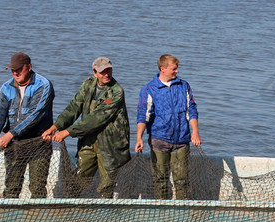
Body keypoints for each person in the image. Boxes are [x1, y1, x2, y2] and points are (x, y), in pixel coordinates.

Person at [41, 57, 131, 198]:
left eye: (109, 70)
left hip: (110, 144)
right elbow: (74, 107)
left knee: (106, 185)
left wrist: (67, 132)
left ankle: (105, 214)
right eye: (103, 72)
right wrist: (56, 126)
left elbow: (96, 119)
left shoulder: (116, 91)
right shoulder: (88, 84)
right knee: (79, 177)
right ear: (95, 73)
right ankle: (70, 207)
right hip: (88, 140)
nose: (106, 74)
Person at [0, 52, 54, 198]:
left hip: (39, 142)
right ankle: (9, 217)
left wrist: (10, 134)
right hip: (15, 144)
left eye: (19, 69)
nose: (15, 72)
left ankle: (37, 217)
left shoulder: (43, 85)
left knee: (37, 187)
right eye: (12, 69)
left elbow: (35, 115)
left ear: (29, 67)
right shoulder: (6, 88)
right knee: (11, 187)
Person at [135, 54, 201, 200]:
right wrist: (139, 137)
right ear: (163, 69)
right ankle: (162, 206)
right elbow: (143, 115)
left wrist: (195, 132)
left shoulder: (184, 86)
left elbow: (192, 109)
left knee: (182, 178)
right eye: (174, 69)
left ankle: (183, 208)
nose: (177, 71)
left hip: (182, 140)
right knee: (160, 179)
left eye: (177, 68)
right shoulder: (149, 89)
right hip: (159, 140)